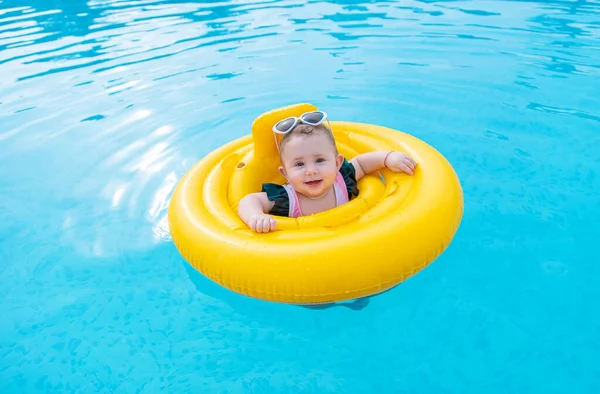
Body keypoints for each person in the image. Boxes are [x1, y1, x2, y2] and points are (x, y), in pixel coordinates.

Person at [237, 111, 417, 233]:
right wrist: (256, 216)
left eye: (320, 160)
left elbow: (361, 163)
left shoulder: (342, 181)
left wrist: (387, 158)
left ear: (338, 163)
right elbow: (249, 200)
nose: (311, 171)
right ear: (285, 174)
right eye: (299, 164)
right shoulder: (286, 199)